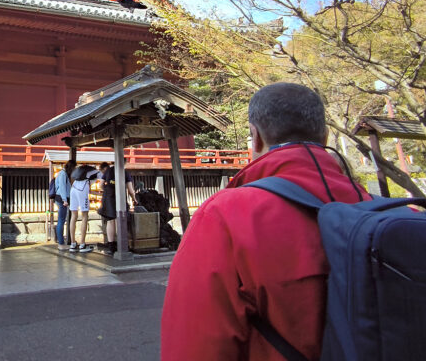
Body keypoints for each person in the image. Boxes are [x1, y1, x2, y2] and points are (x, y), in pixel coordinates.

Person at [161, 82, 370, 360]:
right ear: (326, 136)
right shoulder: (383, 212)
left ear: (255, 136)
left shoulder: (225, 217)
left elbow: (195, 346)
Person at [97, 162, 136, 254]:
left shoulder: (108, 171)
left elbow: (100, 185)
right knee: (120, 220)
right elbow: (130, 190)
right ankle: (122, 244)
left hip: (108, 197)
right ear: (124, 163)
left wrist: (107, 190)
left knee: (110, 221)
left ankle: (111, 245)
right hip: (120, 196)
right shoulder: (125, 172)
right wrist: (134, 198)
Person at [67, 163, 98, 253]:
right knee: (85, 216)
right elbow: (98, 183)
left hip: (73, 189)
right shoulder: (95, 173)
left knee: (73, 216)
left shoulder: (79, 175)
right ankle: (82, 244)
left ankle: (73, 244)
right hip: (82, 189)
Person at [53, 161, 72, 250]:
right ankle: (61, 243)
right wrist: (65, 200)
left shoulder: (62, 173)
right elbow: (62, 187)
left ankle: (61, 242)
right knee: (61, 221)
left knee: (61, 220)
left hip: (60, 198)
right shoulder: (63, 174)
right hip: (61, 199)